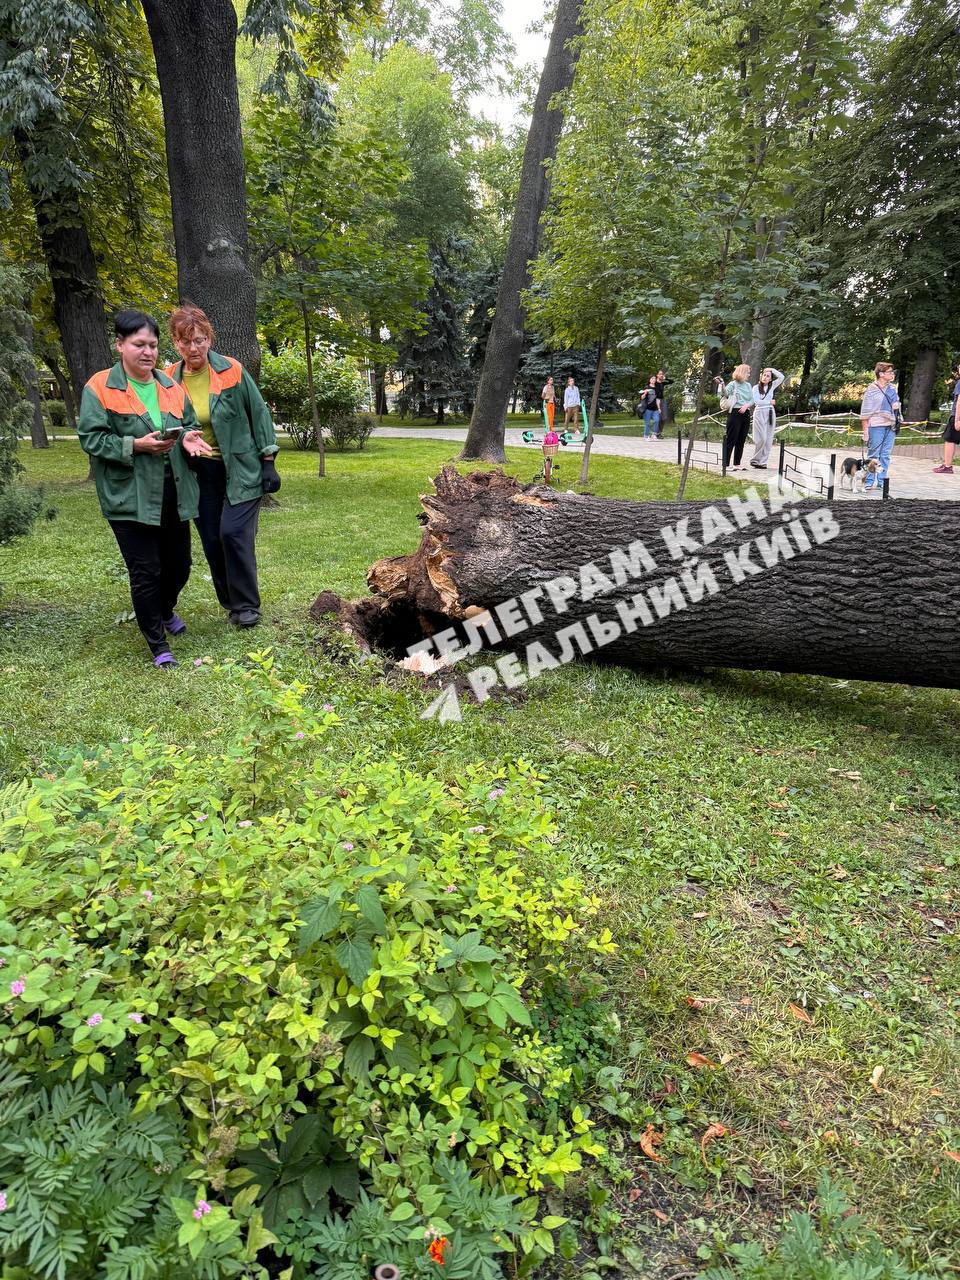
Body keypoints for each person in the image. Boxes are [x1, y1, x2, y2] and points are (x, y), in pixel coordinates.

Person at [77, 310, 213, 669]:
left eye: (153, 345)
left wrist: (188, 438)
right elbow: (91, 439)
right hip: (129, 496)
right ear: (119, 345)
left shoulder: (170, 386)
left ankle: (164, 610)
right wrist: (134, 446)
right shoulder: (99, 387)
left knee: (180, 566)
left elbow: (183, 425)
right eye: (139, 344)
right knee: (145, 571)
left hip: (172, 490)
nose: (148, 352)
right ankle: (157, 643)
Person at [165, 305, 280, 627]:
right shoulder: (168, 380)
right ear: (175, 342)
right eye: (185, 342)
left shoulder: (231, 370)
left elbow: (259, 414)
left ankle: (247, 606)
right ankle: (231, 603)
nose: (193, 348)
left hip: (240, 469)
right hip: (198, 473)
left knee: (233, 534)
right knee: (213, 540)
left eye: (200, 340)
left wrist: (268, 461)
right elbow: (167, 422)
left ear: (209, 338)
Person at [859, 361, 901, 492]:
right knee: (873, 454)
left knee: (886, 454)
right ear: (881, 374)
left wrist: (896, 407)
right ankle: (868, 480)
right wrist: (865, 431)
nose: (892, 374)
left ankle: (882, 481)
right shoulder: (871, 389)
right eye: (889, 372)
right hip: (876, 425)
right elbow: (865, 412)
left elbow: (896, 405)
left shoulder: (892, 389)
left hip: (890, 425)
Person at [716, 364, 753, 471]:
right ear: (742, 372)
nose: (749, 375)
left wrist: (746, 406)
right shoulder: (733, 384)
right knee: (731, 439)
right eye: (748, 372)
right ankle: (725, 464)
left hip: (745, 413)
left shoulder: (748, 385)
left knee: (741, 440)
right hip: (735, 413)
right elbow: (725, 394)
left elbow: (752, 399)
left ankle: (737, 463)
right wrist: (722, 385)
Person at [750, 366, 785, 469]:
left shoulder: (772, 386)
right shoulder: (756, 388)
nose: (765, 377)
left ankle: (763, 462)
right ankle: (755, 460)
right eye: (764, 375)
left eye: (768, 376)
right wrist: (769, 401)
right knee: (762, 438)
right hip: (760, 412)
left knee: (769, 439)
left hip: (770, 412)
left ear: (770, 378)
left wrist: (772, 370)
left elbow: (781, 377)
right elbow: (756, 401)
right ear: (761, 376)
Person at [933, 365, 960, 475]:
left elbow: (959, 402)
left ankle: (947, 466)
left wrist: (957, 419)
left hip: (957, 415)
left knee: (949, 439)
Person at [653, 369, 673, 438]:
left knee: (664, 417)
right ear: (657, 375)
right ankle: (656, 433)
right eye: (660, 374)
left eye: (662, 374)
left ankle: (659, 432)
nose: (661, 375)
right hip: (655, 400)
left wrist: (665, 378)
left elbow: (671, 381)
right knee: (657, 418)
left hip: (662, 400)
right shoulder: (654, 383)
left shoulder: (662, 383)